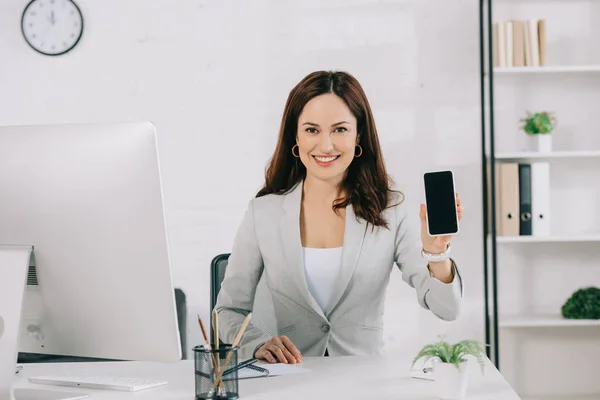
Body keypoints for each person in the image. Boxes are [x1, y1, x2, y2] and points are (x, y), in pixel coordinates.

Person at [214, 70, 464, 364]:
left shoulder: (388, 210)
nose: (326, 145)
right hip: (290, 380)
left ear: (359, 135)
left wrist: (437, 255)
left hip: (363, 381)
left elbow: (447, 309)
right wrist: (256, 343)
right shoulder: (263, 213)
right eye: (312, 130)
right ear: (295, 136)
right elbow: (227, 312)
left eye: (340, 129)